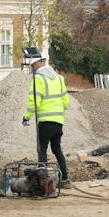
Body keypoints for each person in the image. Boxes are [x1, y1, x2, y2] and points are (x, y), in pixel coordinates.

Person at [20, 47, 70, 186]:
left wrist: (26, 117)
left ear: (35, 64)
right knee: (57, 149)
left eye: (31, 66)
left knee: (42, 150)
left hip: (45, 122)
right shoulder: (59, 78)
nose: (32, 69)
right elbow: (66, 101)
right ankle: (65, 179)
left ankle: (44, 183)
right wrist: (60, 115)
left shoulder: (38, 79)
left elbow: (35, 102)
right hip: (58, 121)